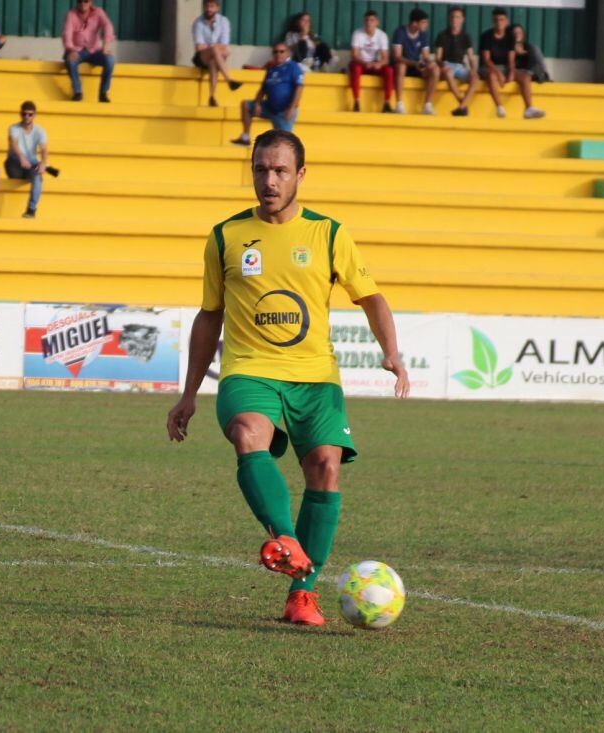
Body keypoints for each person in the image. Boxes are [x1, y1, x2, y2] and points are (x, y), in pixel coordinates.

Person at [167, 129, 410, 627]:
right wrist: (188, 393)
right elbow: (209, 315)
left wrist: (392, 354)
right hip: (249, 370)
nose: (268, 180)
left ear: (301, 175)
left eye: (279, 171)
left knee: (325, 466)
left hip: (315, 378)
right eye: (260, 169)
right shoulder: (226, 236)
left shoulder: (328, 234)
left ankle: (302, 595)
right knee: (246, 433)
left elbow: (371, 297)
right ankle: (287, 540)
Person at [231, 43, 304, 146]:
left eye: (281, 51)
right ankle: (245, 137)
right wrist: (257, 103)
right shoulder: (272, 69)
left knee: (284, 142)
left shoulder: (293, 67)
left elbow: (299, 88)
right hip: (270, 108)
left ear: (287, 53)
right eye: (275, 52)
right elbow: (263, 90)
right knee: (246, 105)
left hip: (284, 110)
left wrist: (292, 107)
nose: (278, 54)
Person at [480, 8, 544, 119]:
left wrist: (511, 72)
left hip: (505, 67)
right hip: (489, 67)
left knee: (525, 77)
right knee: (492, 76)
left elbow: (511, 59)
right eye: (496, 20)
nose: (499, 22)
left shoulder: (510, 37)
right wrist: (498, 73)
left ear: (506, 21)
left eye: (501, 20)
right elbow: (486, 60)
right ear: (493, 21)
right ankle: (499, 107)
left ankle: (529, 108)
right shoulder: (486, 36)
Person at [62, 0, 115, 103]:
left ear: (91, 2)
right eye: (80, 1)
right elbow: (67, 34)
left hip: (95, 50)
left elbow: (108, 26)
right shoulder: (71, 14)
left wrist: (105, 46)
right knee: (70, 61)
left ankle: (103, 93)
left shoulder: (99, 12)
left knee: (110, 60)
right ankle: (78, 92)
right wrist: (71, 50)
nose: (83, 4)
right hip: (77, 50)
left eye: (86, 1)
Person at [193, 0, 242, 108]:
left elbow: (224, 44)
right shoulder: (198, 22)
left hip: (215, 57)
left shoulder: (224, 21)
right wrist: (215, 47)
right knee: (216, 50)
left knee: (213, 61)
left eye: (212, 6)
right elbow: (199, 47)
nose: (209, 9)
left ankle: (212, 96)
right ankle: (229, 80)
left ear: (217, 8)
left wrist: (213, 47)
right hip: (201, 57)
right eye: (207, 6)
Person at [5, 101, 48, 219]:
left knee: (38, 175)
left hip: (29, 166)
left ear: (34, 115)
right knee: (16, 156)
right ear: (20, 114)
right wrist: (22, 157)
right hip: (14, 165)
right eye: (24, 114)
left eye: (30, 114)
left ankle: (31, 209)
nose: (27, 117)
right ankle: (36, 164)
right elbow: (13, 144)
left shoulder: (40, 130)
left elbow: (44, 149)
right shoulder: (14, 128)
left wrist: (43, 163)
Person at [391, 9, 438, 115]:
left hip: (416, 66)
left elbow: (425, 55)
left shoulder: (423, 34)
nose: (426, 25)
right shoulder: (400, 32)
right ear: (414, 23)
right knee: (401, 66)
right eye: (424, 22)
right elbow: (397, 56)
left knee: (435, 69)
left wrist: (430, 62)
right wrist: (414, 63)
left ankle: (427, 105)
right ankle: (399, 104)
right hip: (404, 65)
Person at [434, 6, 478, 117]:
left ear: (462, 19)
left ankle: (462, 107)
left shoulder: (466, 36)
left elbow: (471, 57)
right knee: (449, 72)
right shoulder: (442, 35)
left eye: (457, 17)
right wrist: (442, 65)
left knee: (475, 77)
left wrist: (473, 70)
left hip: (460, 66)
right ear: (449, 19)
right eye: (453, 17)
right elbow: (437, 57)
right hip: (447, 64)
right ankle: (462, 103)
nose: (455, 20)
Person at [349, 10, 395, 113]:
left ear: (377, 22)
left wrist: (379, 64)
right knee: (355, 68)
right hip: (361, 63)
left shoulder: (382, 35)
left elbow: (386, 58)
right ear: (364, 22)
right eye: (367, 20)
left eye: (372, 20)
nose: (369, 23)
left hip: (375, 64)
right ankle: (356, 101)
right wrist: (365, 63)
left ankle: (387, 103)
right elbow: (354, 55)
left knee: (389, 71)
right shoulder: (357, 33)